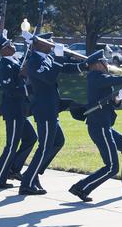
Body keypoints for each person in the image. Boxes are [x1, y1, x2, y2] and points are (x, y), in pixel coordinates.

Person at [68, 50, 122, 202]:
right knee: (112, 167)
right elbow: (118, 80)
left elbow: (109, 103)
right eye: (105, 62)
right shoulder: (95, 77)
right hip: (99, 127)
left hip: (104, 125)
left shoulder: (101, 78)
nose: (107, 64)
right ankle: (80, 187)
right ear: (97, 64)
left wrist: (118, 100)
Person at [19, 33, 81, 195]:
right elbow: (48, 76)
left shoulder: (45, 58)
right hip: (44, 110)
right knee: (45, 146)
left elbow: (63, 68)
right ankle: (27, 183)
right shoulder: (34, 61)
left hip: (52, 108)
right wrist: (59, 58)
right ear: (40, 44)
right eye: (49, 42)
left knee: (57, 141)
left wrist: (84, 65)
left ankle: (33, 173)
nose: (52, 44)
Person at [0, 37, 37, 189]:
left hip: (20, 109)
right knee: (11, 145)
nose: (12, 45)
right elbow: (10, 91)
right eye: (8, 44)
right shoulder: (5, 66)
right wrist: (28, 89)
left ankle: (13, 169)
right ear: (3, 49)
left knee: (31, 138)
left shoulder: (13, 62)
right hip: (14, 110)